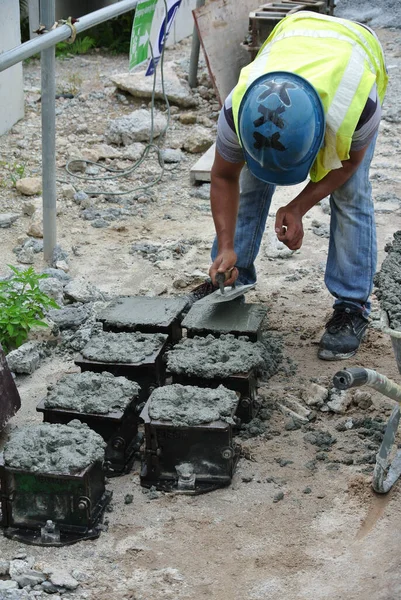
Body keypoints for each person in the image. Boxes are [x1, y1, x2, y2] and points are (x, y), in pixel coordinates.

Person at [208, 10, 388, 361]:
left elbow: (348, 164)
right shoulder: (237, 110)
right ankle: (232, 272)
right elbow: (223, 175)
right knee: (248, 180)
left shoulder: (357, 107)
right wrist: (225, 244)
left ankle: (352, 307)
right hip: (294, 32)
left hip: (357, 49)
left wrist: (299, 206)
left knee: (351, 194)